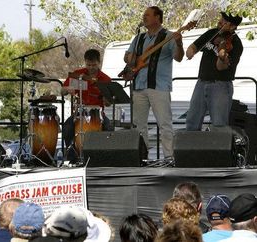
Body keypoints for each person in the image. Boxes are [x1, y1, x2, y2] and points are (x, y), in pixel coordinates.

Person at [123, 6, 184, 159]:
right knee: (139, 125)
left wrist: (180, 43)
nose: (144, 18)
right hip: (139, 85)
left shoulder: (168, 36)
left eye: (148, 15)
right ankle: (141, 157)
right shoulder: (139, 38)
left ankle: (169, 158)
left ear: (158, 18)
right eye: (144, 15)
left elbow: (178, 57)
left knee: (164, 124)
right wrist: (134, 59)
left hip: (159, 86)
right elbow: (128, 58)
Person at [185, 12, 243, 131]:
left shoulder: (236, 44)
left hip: (220, 85)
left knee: (219, 125)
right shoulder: (212, 33)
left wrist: (222, 56)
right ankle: (192, 148)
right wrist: (190, 52)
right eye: (221, 18)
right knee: (192, 121)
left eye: (225, 21)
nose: (220, 21)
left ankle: (218, 149)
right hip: (201, 83)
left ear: (232, 27)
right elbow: (194, 46)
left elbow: (220, 68)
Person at [61, 49, 112, 160]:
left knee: (109, 128)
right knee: (67, 127)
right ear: (85, 62)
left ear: (99, 62)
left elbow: (108, 104)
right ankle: (72, 156)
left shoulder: (105, 79)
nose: (91, 67)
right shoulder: (78, 74)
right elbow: (62, 91)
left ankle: (104, 158)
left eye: (94, 65)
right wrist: (67, 89)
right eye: (88, 65)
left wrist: (106, 99)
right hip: (79, 113)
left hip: (98, 114)